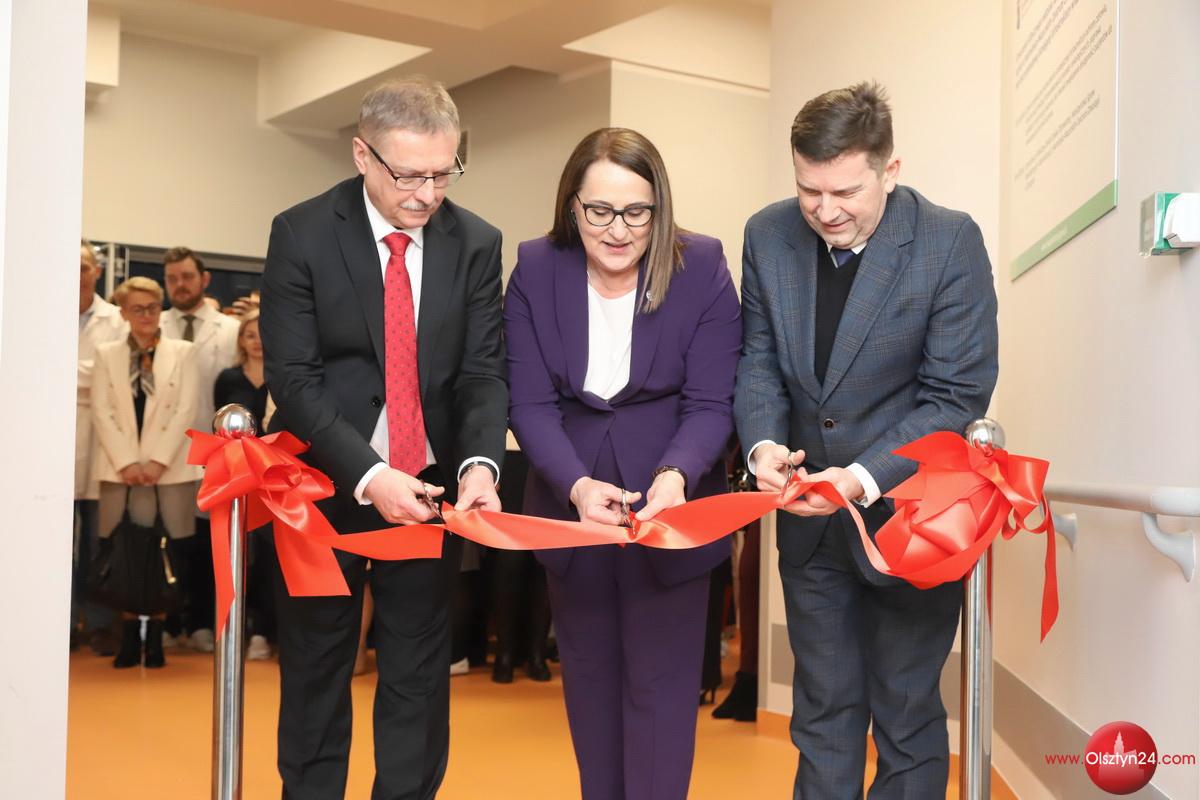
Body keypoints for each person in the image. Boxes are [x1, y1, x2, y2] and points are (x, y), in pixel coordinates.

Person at [734, 82, 999, 798]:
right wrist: (762, 446)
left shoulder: (947, 241)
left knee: (907, 719)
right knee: (821, 713)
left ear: (890, 170)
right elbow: (758, 360)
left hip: (909, 521)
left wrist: (856, 478)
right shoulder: (767, 234)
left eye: (845, 191)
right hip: (808, 526)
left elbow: (954, 397)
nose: (824, 211)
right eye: (808, 190)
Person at [259, 75, 508, 800]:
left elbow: (482, 373)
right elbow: (295, 381)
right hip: (322, 488)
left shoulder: (475, 243)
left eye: (443, 173)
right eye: (409, 175)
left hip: (427, 491)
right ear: (362, 154)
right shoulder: (303, 232)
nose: (427, 195)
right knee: (316, 666)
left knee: (418, 673)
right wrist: (371, 475)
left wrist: (481, 465)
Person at [504, 127, 741, 800]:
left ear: (659, 208)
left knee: (661, 697)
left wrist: (675, 475)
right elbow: (530, 404)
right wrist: (576, 485)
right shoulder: (536, 268)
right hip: (574, 508)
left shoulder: (702, 266)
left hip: (670, 510)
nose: (618, 230)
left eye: (637, 212)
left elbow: (710, 402)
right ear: (571, 206)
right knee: (591, 692)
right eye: (600, 210)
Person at [91, 277, 202, 668]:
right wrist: (127, 460)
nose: (146, 315)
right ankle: (126, 636)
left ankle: (157, 636)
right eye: (137, 309)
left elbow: (186, 408)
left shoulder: (183, 352)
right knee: (123, 550)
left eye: (153, 307)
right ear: (122, 313)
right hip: (118, 469)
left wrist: (157, 460)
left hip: (169, 469)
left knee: (166, 552)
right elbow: (102, 409)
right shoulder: (106, 353)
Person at [160, 246, 239, 653]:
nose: (180, 285)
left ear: (204, 279)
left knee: (211, 540)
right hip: (166, 450)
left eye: (187, 276)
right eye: (172, 278)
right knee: (171, 539)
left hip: (215, 451)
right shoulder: (155, 326)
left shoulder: (230, 329)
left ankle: (204, 623)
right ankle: (170, 620)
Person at [74, 240, 127, 654]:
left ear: (97, 271)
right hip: (50, 442)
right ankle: (59, 621)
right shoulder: (40, 310)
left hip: (100, 440)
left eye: (83, 266)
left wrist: (63, 372)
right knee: (53, 540)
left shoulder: (116, 321)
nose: (77, 274)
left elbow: (111, 377)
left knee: (97, 541)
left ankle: (97, 623)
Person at [212, 309, 274, 661]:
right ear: (240, 340)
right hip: (236, 475)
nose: (257, 341)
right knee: (236, 555)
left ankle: (264, 631)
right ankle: (237, 627)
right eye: (250, 334)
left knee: (268, 557)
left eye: (262, 333)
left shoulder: (283, 373)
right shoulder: (228, 378)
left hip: (273, 476)